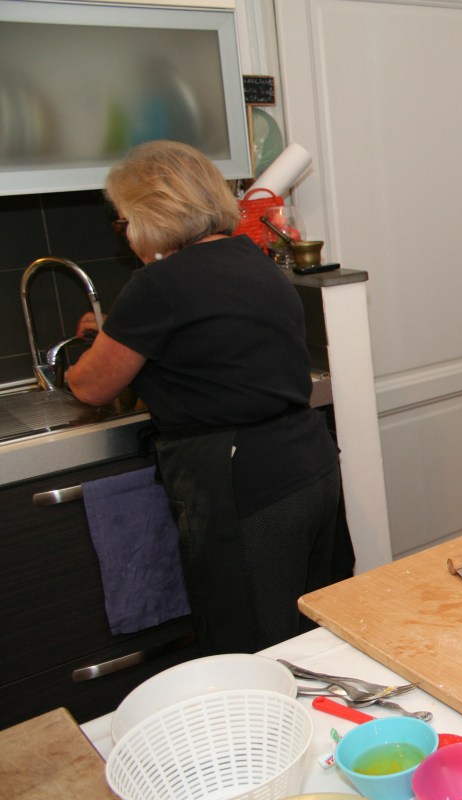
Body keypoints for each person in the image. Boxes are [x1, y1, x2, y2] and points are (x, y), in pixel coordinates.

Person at [67, 140, 347, 653]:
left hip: (242, 479)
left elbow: (92, 385)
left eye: (125, 219)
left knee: (253, 643)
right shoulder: (254, 259)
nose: (126, 232)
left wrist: (88, 346)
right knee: (312, 632)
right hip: (310, 462)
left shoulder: (158, 285)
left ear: (151, 215)